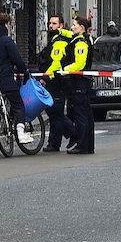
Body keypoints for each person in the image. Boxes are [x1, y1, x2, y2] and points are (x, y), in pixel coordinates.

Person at [0, 13, 33, 156]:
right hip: (6, 80)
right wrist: (24, 71)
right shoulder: (5, 40)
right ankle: (20, 133)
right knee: (18, 105)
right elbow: (17, 59)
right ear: (6, 24)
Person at [38, 14, 74, 152]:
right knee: (54, 112)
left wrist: (45, 77)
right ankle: (55, 142)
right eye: (50, 23)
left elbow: (56, 63)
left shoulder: (59, 41)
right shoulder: (53, 40)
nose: (51, 26)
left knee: (55, 112)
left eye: (54, 23)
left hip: (57, 81)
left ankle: (72, 134)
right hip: (54, 80)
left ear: (61, 26)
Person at [61, 16, 95, 154]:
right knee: (86, 113)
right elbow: (68, 34)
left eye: (74, 25)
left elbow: (80, 64)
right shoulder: (81, 38)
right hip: (82, 81)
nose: (72, 27)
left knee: (80, 114)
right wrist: (59, 31)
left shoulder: (81, 43)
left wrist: (64, 70)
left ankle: (82, 145)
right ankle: (87, 145)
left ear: (81, 28)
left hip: (80, 81)